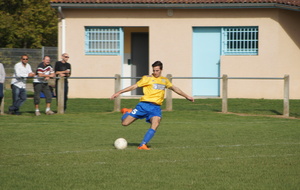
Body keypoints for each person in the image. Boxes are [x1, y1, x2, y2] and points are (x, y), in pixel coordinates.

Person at [110, 61, 194, 150]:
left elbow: (175, 88)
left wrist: (187, 96)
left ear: (161, 70)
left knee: (155, 123)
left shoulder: (164, 80)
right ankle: (127, 112)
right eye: (154, 70)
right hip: (143, 105)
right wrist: (119, 92)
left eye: (157, 70)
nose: (155, 72)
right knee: (125, 123)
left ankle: (142, 144)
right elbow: (134, 86)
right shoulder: (147, 78)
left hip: (155, 108)